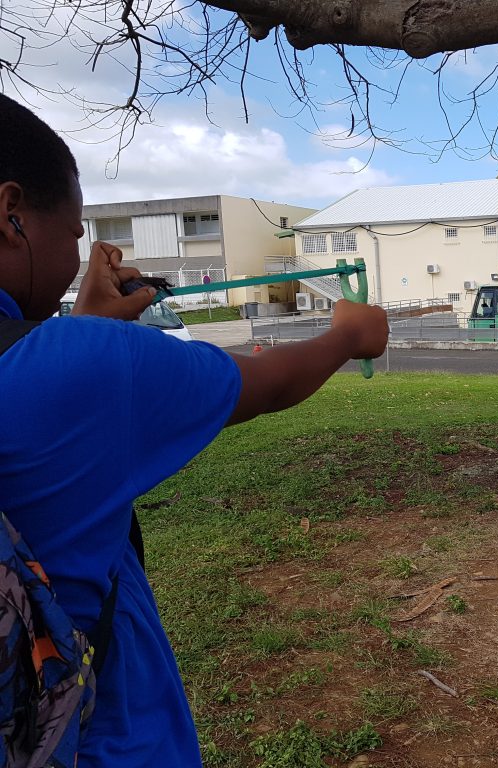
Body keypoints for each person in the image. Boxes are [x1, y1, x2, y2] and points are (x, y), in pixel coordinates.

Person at [0, 94, 389, 767]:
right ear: (11, 214)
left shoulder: (61, 357)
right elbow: (269, 383)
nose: (76, 255)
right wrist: (349, 335)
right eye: (71, 232)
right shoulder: (76, 364)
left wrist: (83, 328)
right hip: (101, 742)